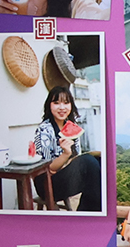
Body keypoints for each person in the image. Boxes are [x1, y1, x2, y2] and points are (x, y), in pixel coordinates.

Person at [30, 83, 103, 211]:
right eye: (56, 103)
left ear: (71, 105)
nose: (62, 107)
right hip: (47, 184)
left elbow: (75, 160)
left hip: (65, 177)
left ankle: (87, 210)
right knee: (88, 163)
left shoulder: (71, 126)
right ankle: (88, 213)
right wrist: (65, 154)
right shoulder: (44, 129)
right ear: (49, 106)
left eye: (66, 103)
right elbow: (47, 169)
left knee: (99, 161)